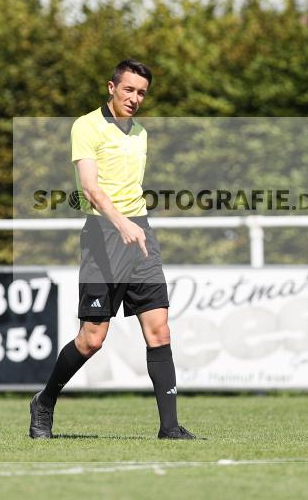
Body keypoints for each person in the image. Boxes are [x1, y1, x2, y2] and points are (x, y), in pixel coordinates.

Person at [29, 59, 194, 440]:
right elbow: (89, 188)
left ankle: (169, 428)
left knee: (159, 331)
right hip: (104, 238)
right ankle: (45, 401)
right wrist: (121, 223)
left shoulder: (140, 134)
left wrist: (136, 225)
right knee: (92, 339)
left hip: (140, 236)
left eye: (142, 93)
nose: (135, 98)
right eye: (129, 90)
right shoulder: (86, 126)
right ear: (111, 87)